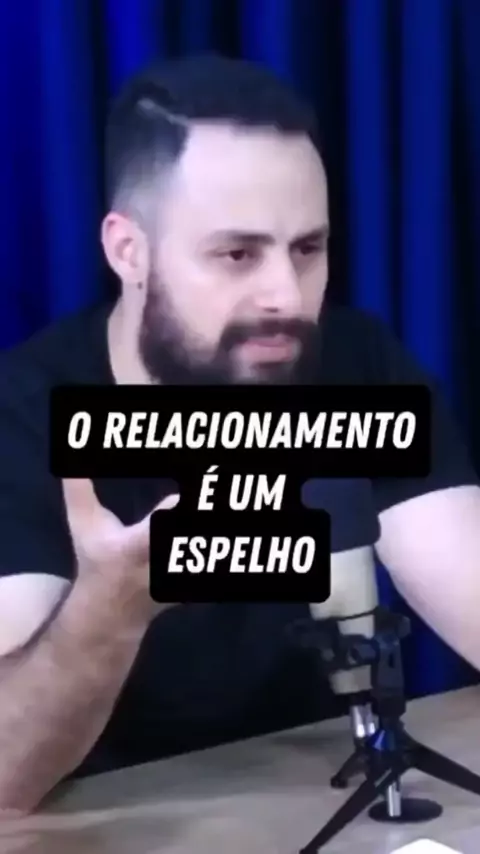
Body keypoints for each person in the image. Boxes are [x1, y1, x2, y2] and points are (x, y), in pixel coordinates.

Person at [0, 53, 478, 816]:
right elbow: (3, 775)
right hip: (104, 828)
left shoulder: (352, 365)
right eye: (237, 254)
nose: (286, 296)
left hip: (313, 804)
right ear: (128, 252)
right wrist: (110, 606)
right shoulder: (22, 416)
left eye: (308, 249)